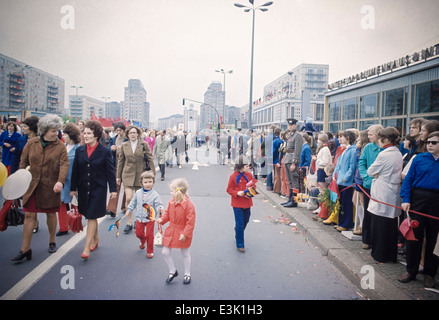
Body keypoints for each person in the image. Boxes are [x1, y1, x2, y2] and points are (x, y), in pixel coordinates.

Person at [11, 114, 69, 262]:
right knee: (29, 215)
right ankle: (25, 249)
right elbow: (23, 162)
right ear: (44, 130)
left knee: (50, 214)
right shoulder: (31, 143)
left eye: (57, 130)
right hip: (31, 185)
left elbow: (64, 165)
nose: (56, 133)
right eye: (53, 131)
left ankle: (52, 241)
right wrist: (21, 178)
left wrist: (60, 182)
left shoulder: (60, 146)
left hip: (51, 186)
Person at [70, 120, 117, 260]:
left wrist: (113, 189)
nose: (85, 135)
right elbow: (75, 171)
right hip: (84, 188)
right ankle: (96, 239)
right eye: (84, 132)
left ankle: (86, 247)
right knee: (91, 214)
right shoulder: (80, 150)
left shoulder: (105, 151)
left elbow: (110, 171)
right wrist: (73, 189)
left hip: (99, 189)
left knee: (91, 216)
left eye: (89, 133)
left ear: (96, 135)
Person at [398, 131, 439, 287]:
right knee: (414, 237)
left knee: (433, 240)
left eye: (434, 142)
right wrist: (406, 199)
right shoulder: (419, 159)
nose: (429, 144)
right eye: (428, 142)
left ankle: (430, 273)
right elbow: (408, 180)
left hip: (436, 202)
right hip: (418, 200)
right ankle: (411, 270)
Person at [367, 127, 403, 263]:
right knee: (391, 226)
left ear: (385, 139)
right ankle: (390, 255)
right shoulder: (397, 153)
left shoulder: (384, 154)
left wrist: (377, 173)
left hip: (382, 193)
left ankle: (379, 254)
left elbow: (371, 171)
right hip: (393, 193)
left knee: (379, 226)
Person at [117, 125, 156, 233]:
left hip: (141, 175)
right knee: (129, 198)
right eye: (130, 133)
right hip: (128, 175)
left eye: (134, 133)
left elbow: (150, 158)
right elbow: (121, 161)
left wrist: (153, 173)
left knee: (140, 199)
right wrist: (118, 177)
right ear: (127, 135)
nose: (133, 135)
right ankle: (129, 222)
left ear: (138, 134)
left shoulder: (144, 144)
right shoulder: (124, 145)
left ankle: (136, 220)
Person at [156, 178, 195, 284]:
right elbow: (167, 214)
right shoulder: (171, 202)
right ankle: (172, 270)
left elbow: (190, 223)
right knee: (165, 252)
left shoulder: (189, 205)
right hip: (171, 230)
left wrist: (185, 233)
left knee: (185, 253)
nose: (170, 193)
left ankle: (187, 273)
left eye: (172, 191)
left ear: (178, 191)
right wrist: (162, 220)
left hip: (183, 232)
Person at [126, 171, 164, 258]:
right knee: (138, 233)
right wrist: (129, 209)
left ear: (153, 182)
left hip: (150, 218)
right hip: (139, 217)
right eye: (145, 182)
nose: (148, 184)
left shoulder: (155, 195)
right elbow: (133, 202)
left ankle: (150, 251)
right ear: (141, 183)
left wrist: (160, 210)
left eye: (150, 182)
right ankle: (143, 240)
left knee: (150, 235)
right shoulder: (138, 192)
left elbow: (159, 204)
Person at [358, 124, 384, 249]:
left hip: (381, 186)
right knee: (368, 213)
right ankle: (366, 239)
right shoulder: (368, 147)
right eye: (368, 134)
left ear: (378, 134)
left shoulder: (385, 148)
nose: (368, 137)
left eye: (371, 134)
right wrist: (365, 176)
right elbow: (361, 162)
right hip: (368, 184)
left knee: (379, 215)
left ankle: (377, 240)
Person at [57, 122, 81, 236]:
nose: (63, 136)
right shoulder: (62, 147)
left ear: (71, 135)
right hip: (62, 180)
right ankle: (62, 227)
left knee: (74, 203)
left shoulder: (79, 149)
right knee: (61, 203)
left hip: (73, 180)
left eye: (65, 134)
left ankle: (75, 223)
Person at [226, 155, 254, 253]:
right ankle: (240, 244)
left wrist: (250, 193)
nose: (248, 167)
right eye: (246, 166)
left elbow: (252, 186)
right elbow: (229, 189)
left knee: (246, 219)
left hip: (247, 202)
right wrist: (237, 193)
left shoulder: (249, 175)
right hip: (237, 203)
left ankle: (238, 230)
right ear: (240, 166)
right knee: (240, 223)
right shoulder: (233, 176)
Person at [333, 130, 357, 232]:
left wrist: (346, 177)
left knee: (347, 203)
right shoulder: (345, 149)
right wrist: (335, 175)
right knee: (341, 202)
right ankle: (341, 221)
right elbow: (339, 165)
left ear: (348, 138)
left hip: (346, 181)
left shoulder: (353, 150)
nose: (340, 139)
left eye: (343, 137)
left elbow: (352, 166)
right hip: (340, 180)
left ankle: (346, 223)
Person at [281, 118, 303, 208]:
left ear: (295, 125)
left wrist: (294, 162)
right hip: (287, 159)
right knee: (290, 181)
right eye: (289, 125)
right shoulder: (291, 135)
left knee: (294, 181)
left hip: (292, 160)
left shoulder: (297, 136)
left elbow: (297, 150)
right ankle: (290, 199)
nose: (290, 126)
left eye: (292, 125)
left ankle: (294, 201)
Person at [106, 122, 127, 217]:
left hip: (126, 166)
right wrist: (111, 148)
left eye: (120, 130)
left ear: (124, 130)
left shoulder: (127, 139)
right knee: (116, 186)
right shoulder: (113, 139)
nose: (119, 132)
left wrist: (121, 148)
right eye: (117, 130)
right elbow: (108, 150)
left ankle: (125, 206)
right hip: (116, 165)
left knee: (127, 187)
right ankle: (112, 209)